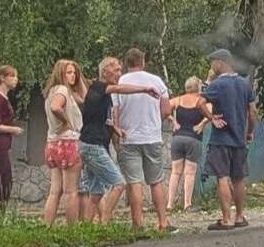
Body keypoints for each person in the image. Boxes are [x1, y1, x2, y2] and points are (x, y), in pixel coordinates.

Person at [79, 57, 159, 223]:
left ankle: (84, 228)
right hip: (92, 145)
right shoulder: (99, 87)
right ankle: (105, 222)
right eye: (116, 70)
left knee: (97, 192)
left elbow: (98, 117)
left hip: (96, 144)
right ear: (105, 71)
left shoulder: (101, 94)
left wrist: (115, 128)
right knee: (119, 184)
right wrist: (144, 89)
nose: (119, 74)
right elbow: (120, 89)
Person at [113, 48, 175, 232]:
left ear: (126, 63)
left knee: (135, 182)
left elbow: (115, 111)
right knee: (156, 181)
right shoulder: (156, 81)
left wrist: (117, 136)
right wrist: (154, 121)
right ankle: (163, 222)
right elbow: (166, 110)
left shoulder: (120, 82)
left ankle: (137, 224)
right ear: (143, 61)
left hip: (128, 137)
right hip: (152, 136)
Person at [199, 49, 258, 231]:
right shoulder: (244, 84)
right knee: (239, 178)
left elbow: (199, 103)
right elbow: (253, 112)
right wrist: (249, 132)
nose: (211, 66)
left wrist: (211, 118)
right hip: (239, 139)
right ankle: (240, 217)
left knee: (222, 177)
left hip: (221, 139)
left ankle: (226, 219)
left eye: (212, 63)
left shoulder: (217, 85)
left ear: (220, 62)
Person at [43, 59, 87, 225]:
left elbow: (84, 97)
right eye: (69, 72)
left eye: (74, 72)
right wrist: (66, 121)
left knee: (55, 191)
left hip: (52, 142)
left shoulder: (52, 91)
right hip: (68, 142)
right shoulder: (62, 90)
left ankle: (47, 226)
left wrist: (79, 74)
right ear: (60, 74)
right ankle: (71, 229)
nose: (73, 76)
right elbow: (56, 107)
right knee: (71, 191)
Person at [167, 76, 209, 211]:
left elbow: (163, 108)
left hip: (177, 138)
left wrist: (173, 121)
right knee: (189, 173)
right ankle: (187, 204)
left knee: (175, 172)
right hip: (193, 138)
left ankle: (169, 204)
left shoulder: (178, 100)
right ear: (197, 87)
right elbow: (212, 111)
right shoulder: (201, 102)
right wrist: (202, 123)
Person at [0, 66, 24, 210]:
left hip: (0, 146)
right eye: (12, 76)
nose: (16, 79)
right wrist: (12, 129)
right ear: (2, 78)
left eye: (16, 76)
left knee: (5, 179)